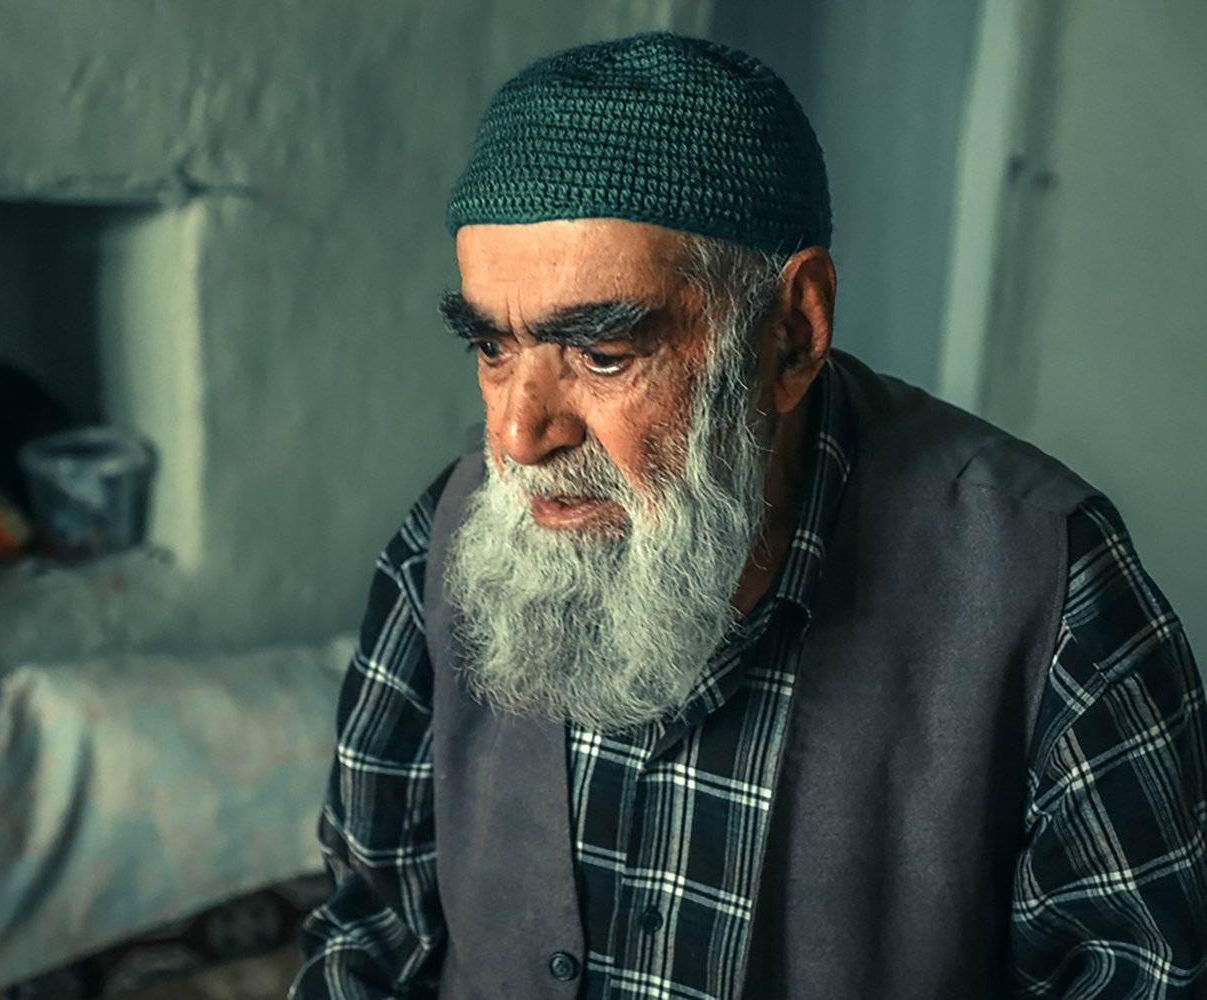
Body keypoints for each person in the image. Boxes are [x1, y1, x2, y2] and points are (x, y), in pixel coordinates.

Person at [291, 32, 1207, 999]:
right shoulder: (447, 537)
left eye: (602, 356)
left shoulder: (1048, 579)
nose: (519, 435)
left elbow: (1146, 976)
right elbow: (370, 932)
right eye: (493, 349)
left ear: (791, 335)